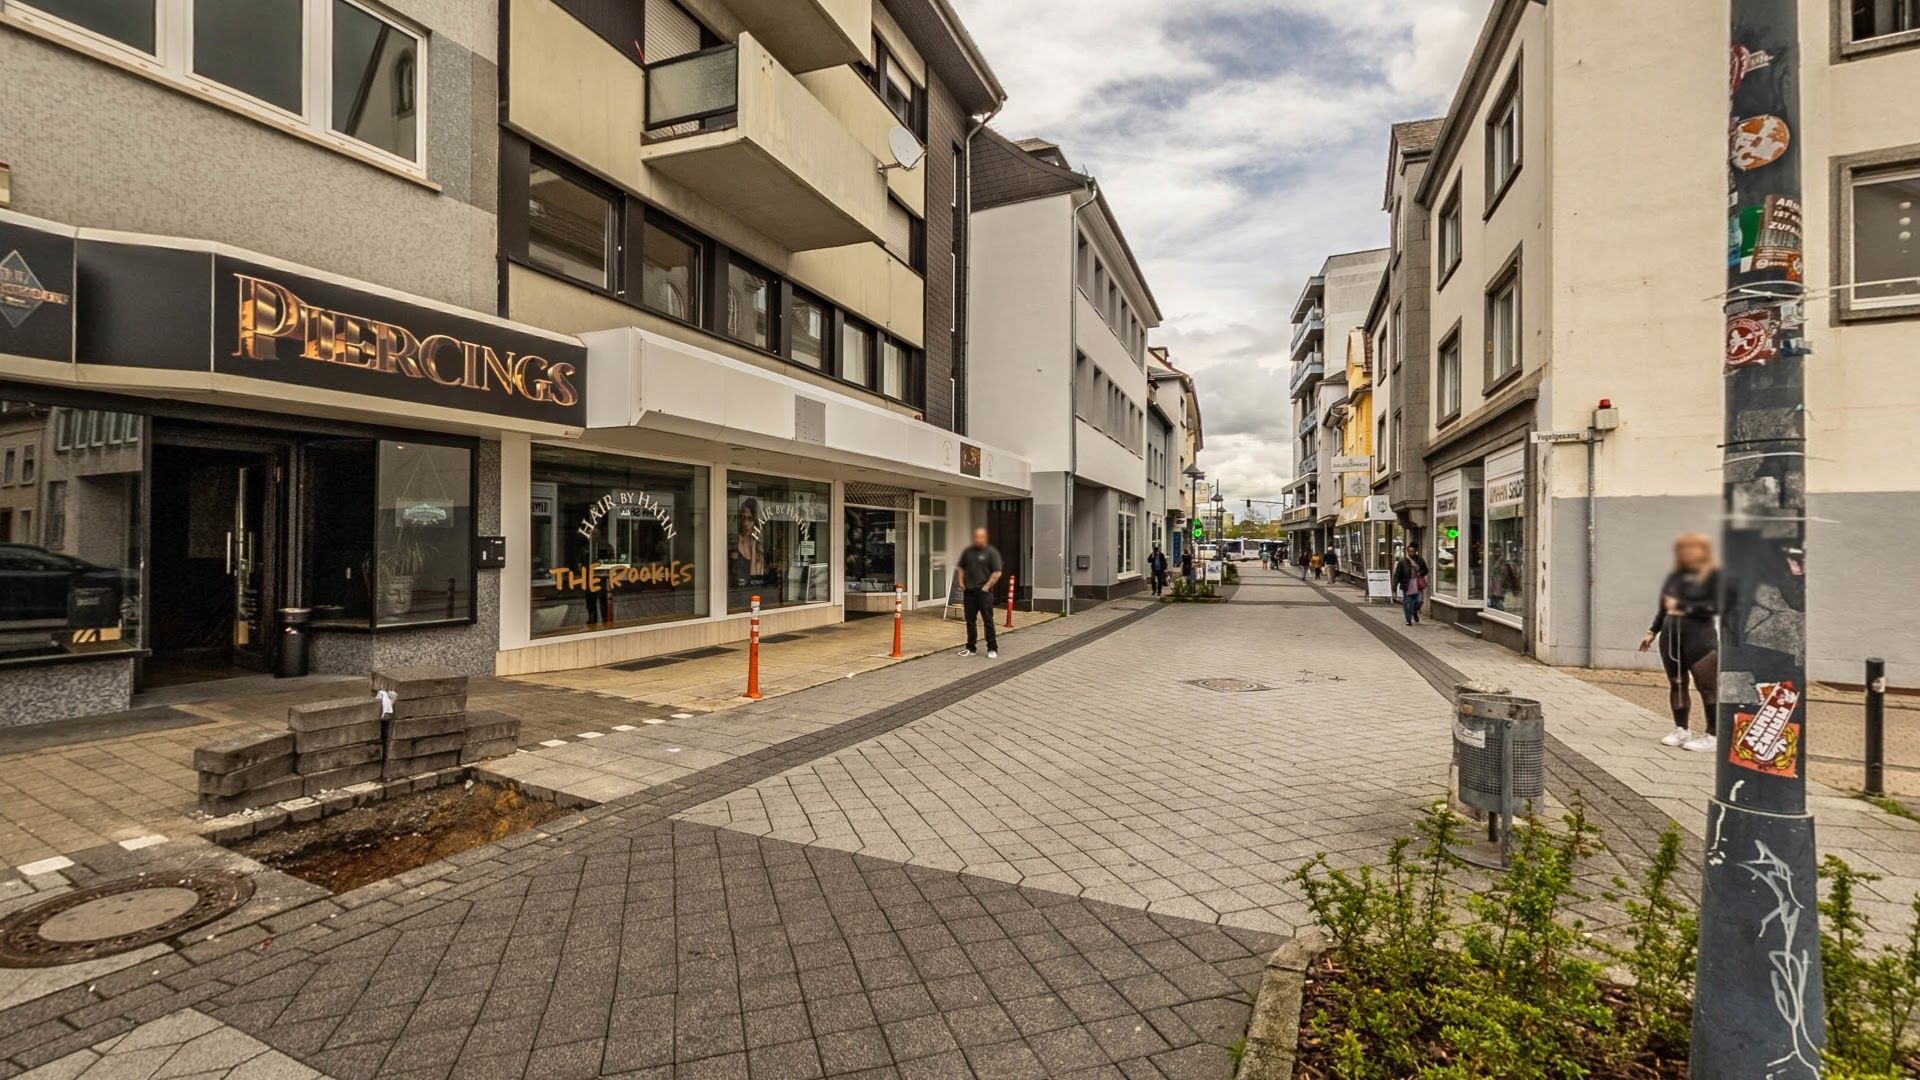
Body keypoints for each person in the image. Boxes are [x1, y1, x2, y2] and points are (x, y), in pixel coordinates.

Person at [1639, 533, 1721, 752]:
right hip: (1671, 637)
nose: (1687, 552)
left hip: (1700, 638)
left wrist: (1686, 607)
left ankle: (1713, 734)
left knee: (1707, 687)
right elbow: (1664, 607)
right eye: (1683, 549)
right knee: (1676, 683)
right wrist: (1652, 631)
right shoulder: (1675, 577)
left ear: (1703, 551)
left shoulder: (1712, 576)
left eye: (1692, 548)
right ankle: (1681, 729)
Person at [953, 526, 1003, 659]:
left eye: (980, 537)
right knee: (970, 621)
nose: (977, 539)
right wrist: (961, 583)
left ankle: (992, 648)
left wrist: (987, 586)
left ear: (985, 537)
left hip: (984, 593)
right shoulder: (968, 552)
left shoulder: (991, 552)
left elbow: (997, 572)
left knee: (988, 620)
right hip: (969, 593)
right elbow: (961, 568)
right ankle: (971, 648)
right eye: (975, 536)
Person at [1393, 547, 1430, 626]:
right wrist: (1394, 588)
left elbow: (1426, 570)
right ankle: (1408, 620)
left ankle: (1414, 612)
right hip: (1407, 585)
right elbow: (1397, 575)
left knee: (1419, 600)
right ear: (1407, 552)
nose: (1411, 553)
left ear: (1415, 551)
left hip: (1417, 584)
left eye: (1413, 551)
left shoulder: (1420, 560)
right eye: (1409, 551)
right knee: (1408, 603)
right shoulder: (1402, 561)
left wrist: (1421, 573)